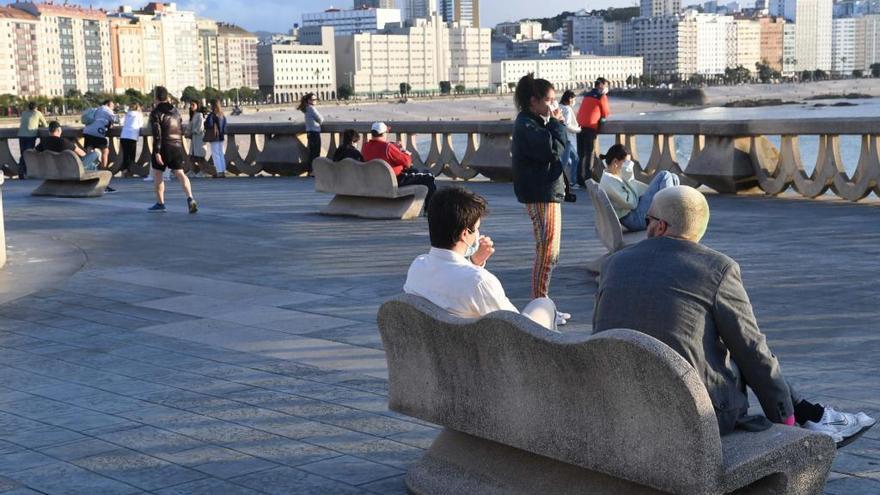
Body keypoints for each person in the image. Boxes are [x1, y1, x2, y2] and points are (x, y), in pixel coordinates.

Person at [593, 185, 876, 446]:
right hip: (693, 412)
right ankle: (805, 418)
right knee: (744, 348)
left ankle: (811, 415)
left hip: (617, 401)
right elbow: (752, 351)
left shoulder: (614, 264)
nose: (647, 226)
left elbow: (600, 332)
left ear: (660, 226)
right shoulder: (716, 268)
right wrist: (785, 423)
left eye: (647, 220)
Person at [404, 187, 569, 330]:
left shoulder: (417, 267)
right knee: (544, 305)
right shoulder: (480, 282)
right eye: (476, 229)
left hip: (439, 357)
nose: (478, 234)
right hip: (486, 361)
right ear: (465, 234)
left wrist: (473, 263)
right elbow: (518, 330)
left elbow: (450, 279)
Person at [511, 73, 566, 301]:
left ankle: (542, 301)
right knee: (546, 250)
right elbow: (553, 150)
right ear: (534, 101)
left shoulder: (531, 122)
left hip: (544, 190)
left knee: (549, 250)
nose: (552, 105)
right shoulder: (527, 125)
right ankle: (540, 302)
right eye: (549, 100)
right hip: (541, 192)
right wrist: (557, 123)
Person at [598, 143, 679, 232]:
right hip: (635, 220)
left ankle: (671, 213)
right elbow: (632, 204)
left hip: (635, 214)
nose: (628, 165)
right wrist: (628, 176)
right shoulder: (609, 181)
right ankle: (669, 216)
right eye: (626, 162)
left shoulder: (613, 176)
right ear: (615, 162)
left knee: (673, 177)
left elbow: (636, 193)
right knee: (665, 175)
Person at [362, 122, 436, 208]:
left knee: (416, 172)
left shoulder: (365, 147)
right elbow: (407, 162)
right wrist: (401, 149)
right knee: (429, 177)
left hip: (375, 182)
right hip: (395, 181)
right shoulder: (387, 147)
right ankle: (430, 210)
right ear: (384, 133)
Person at [148, 86, 198, 213]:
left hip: (163, 146)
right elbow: (181, 128)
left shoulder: (156, 113)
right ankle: (190, 197)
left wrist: (157, 152)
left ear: (156, 97)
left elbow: (157, 134)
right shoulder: (176, 111)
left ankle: (160, 203)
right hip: (176, 145)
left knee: (158, 174)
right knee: (180, 173)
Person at [576, 78, 610, 186]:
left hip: (579, 126)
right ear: (600, 85)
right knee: (589, 154)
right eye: (605, 85)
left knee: (581, 155)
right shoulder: (601, 96)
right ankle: (588, 180)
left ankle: (579, 179)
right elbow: (606, 112)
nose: (606, 88)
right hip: (590, 127)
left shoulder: (586, 95)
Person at [36, 121, 101, 171]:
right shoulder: (64, 142)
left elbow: (34, 152)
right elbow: (82, 154)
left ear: (49, 131)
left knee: (92, 165)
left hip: (52, 169)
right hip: (69, 169)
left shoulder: (44, 142)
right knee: (96, 154)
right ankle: (99, 183)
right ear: (59, 130)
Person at [82, 99, 119, 170]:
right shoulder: (107, 109)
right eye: (112, 105)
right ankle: (103, 169)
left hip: (87, 131)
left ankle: (88, 168)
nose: (113, 107)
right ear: (108, 104)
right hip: (97, 133)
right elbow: (116, 119)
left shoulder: (97, 109)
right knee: (105, 151)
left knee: (89, 150)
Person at [16, 101, 48, 179]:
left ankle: (21, 172)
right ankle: (25, 172)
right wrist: (39, 125)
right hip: (30, 135)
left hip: (21, 135)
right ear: (36, 107)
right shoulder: (37, 113)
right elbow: (45, 125)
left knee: (23, 153)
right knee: (28, 154)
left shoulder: (24, 113)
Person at [559, 90, 581, 185]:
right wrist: (577, 130)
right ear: (569, 99)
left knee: (575, 158)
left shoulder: (560, 107)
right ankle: (562, 182)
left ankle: (572, 181)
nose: (574, 101)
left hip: (562, 137)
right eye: (573, 99)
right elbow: (567, 125)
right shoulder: (567, 109)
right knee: (564, 162)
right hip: (567, 139)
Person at [298, 92, 322, 174]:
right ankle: (314, 171)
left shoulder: (306, 108)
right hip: (314, 132)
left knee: (312, 153)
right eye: (313, 99)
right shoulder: (311, 108)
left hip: (309, 132)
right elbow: (321, 119)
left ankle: (311, 170)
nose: (315, 101)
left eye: (316, 99)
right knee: (316, 153)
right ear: (309, 100)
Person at [204, 99, 227, 178]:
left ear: (213, 106)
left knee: (215, 154)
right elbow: (224, 126)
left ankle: (219, 172)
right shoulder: (222, 115)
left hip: (214, 137)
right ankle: (223, 171)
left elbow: (209, 124)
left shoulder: (212, 115)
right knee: (221, 154)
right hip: (221, 137)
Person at [120, 102, 144, 177]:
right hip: (132, 136)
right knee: (131, 155)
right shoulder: (139, 114)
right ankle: (130, 172)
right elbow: (141, 125)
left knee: (125, 155)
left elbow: (122, 122)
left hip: (124, 135)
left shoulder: (127, 114)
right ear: (137, 107)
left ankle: (124, 171)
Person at [187, 101, 207, 175]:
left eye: (193, 105)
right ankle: (192, 171)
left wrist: (192, 132)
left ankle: (202, 172)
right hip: (194, 139)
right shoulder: (193, 115)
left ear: (197, 105)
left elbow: (200, 128)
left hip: (199, 139)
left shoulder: (200, 115)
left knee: (199, 157)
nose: (191, 106)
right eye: (191, 104)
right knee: (192, 157)